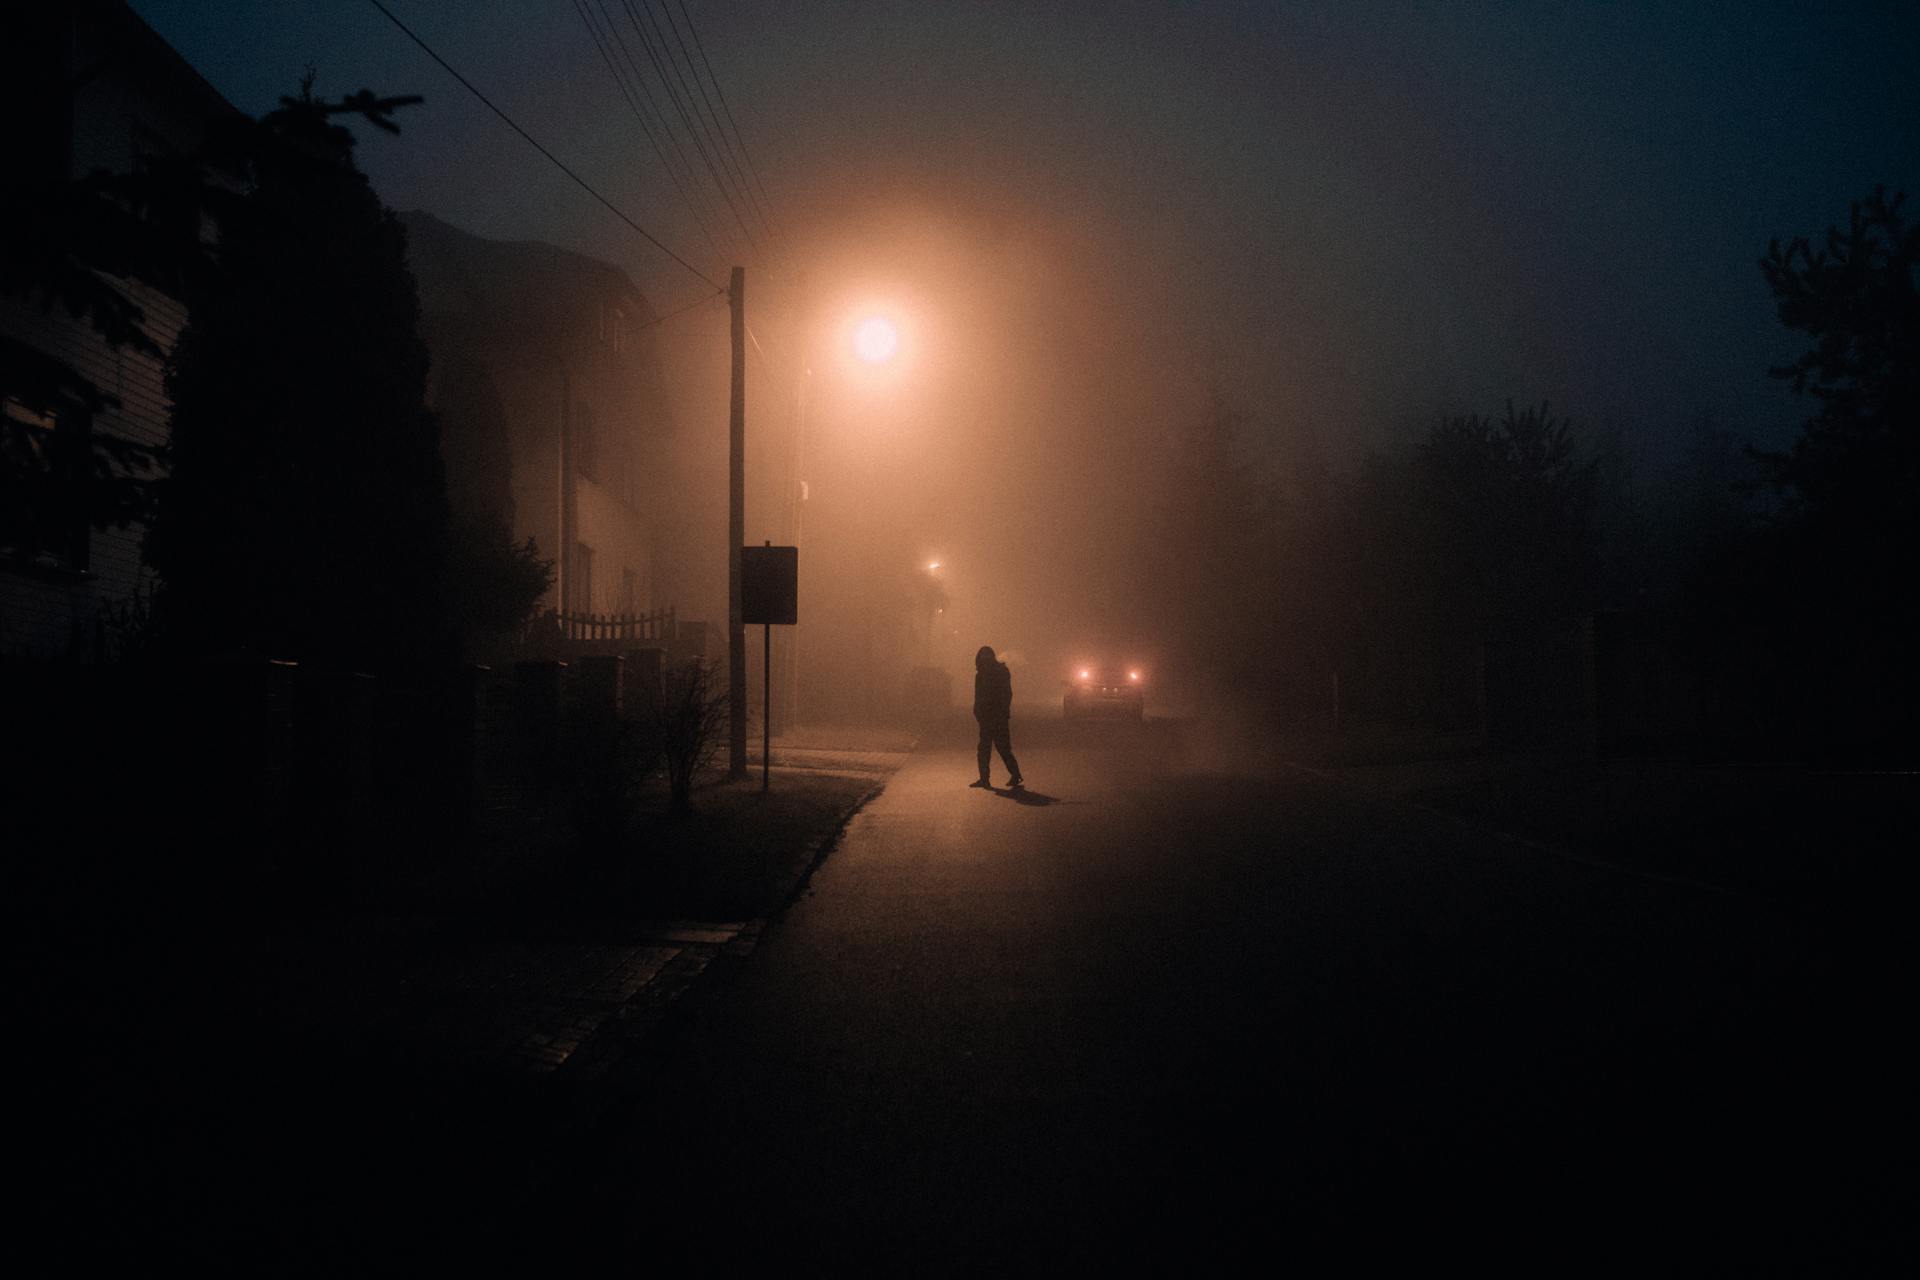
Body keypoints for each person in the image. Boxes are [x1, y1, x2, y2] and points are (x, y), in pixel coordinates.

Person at [971, 644, 1022, 789]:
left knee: (999, 748)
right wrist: (978, 711)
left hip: (996, 716)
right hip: (988, 716)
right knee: (988, 748)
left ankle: (1013, 774)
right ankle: (986, 778)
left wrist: (1003, 711)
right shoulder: (983, 674)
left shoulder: (999, 672)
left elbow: (1006, 694)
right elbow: (979, 696)